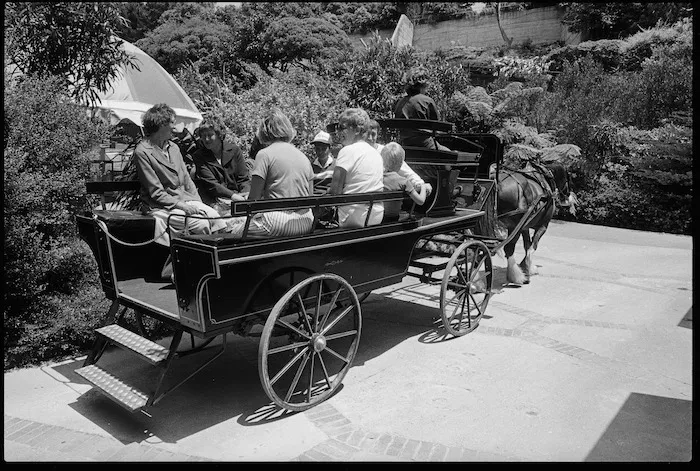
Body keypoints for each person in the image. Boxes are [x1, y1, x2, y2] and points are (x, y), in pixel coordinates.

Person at [134, 103, 226, 249]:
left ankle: (219, 258)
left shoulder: (174, 147)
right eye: (171, 122)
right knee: (201, 223)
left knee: (217, 219)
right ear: (161, 125)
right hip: (160, 207)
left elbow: (187, 181)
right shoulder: (143, 152)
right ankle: (192, 261)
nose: (174, 127)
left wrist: (198, 203)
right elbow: (156, 192)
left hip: (184, 200)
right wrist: (182, 206)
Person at [224, 109, 315, 238]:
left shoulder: (264, 154)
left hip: (277, 223)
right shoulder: (303, 157)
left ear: (264, 131)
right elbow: (310, 196)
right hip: (306, 221)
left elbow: (253, 201)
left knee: (229, 229)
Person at [328, 108, 384, 228]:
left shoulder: (347, 151)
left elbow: (335, 192)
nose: (338, 132)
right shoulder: (376, 153)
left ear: (357, 130)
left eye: (342, 127)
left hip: (353, 217)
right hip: (376, 215)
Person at [193, 117, 251, 216]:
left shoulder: (234, 150)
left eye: (210, 135)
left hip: (238, 198)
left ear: (219, 134)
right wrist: (233, 196)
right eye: (203, 136)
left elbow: (243, 178)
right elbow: (212, 185)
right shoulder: (199, 156)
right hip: (215, 202)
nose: (206, 139)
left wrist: (246, 193)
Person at [367, 118, 432, 198]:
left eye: (373, 134)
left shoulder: (385, 151)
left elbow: (406, 171)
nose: (370, 138)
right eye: (367, 134)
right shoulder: (355, 151)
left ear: (378, 134)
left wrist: (420, 184)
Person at [393, 66, 451, 152]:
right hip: (426, 145)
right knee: (451, 154)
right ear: (422, 85)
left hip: (405, 145)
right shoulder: (427, 101)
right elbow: (438, 128)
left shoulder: (400, 102)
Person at [381, 142, 427, 221]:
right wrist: (423, 186)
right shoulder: (404, 182)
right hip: (393, 219)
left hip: (380, 218)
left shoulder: (379, 179)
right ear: (401, 163)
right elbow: (420, 201)